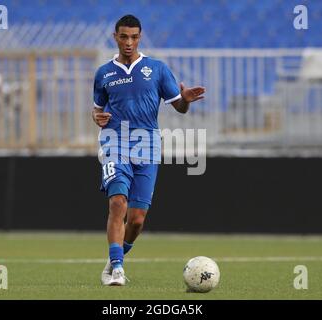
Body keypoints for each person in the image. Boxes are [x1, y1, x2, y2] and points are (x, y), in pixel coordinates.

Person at [92, 14, 205, 286]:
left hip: (148, 146)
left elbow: (178, 105)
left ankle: (115, 258)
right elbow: (98, 110)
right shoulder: (103, 73)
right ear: (115, 37)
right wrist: (97, 118)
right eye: (123, 37)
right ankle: (117, 269)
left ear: (139, 37)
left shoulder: (157, 69)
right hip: (115, 143)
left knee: (138, 219)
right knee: (118, 202)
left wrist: (186, 100)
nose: (128, 42)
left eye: (134, 37)